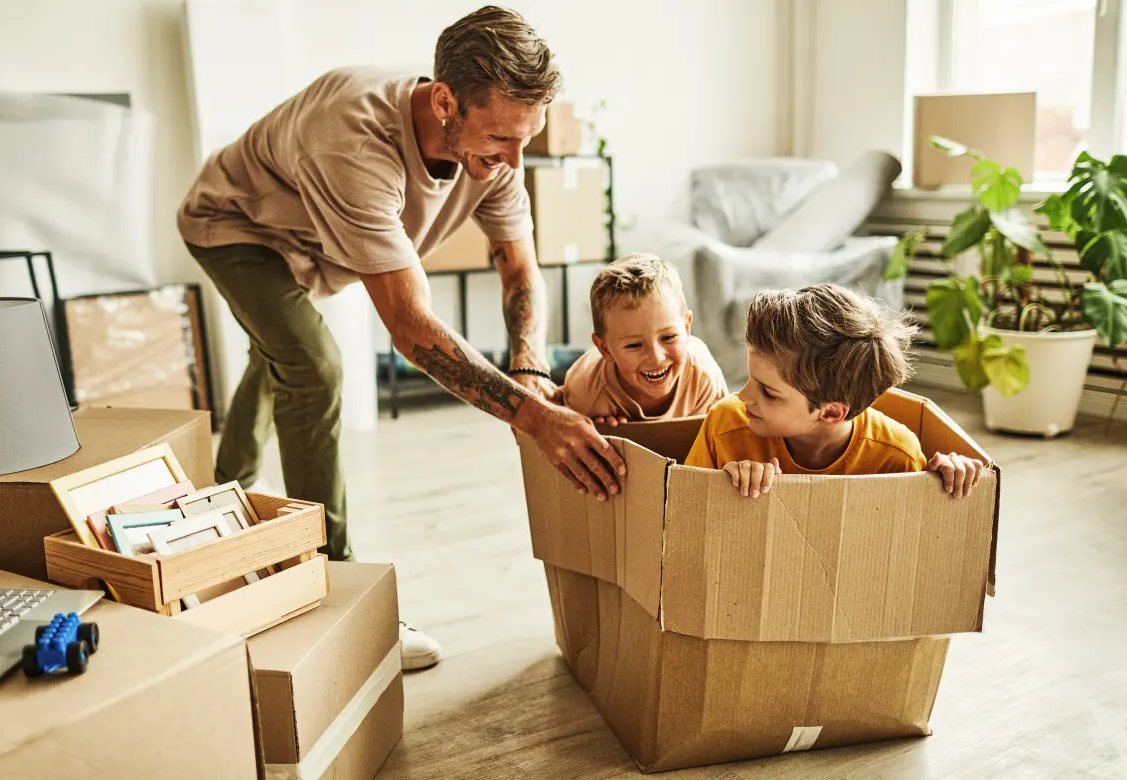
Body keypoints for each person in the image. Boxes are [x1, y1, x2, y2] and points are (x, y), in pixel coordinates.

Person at [176, 6, 625, 670]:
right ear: (445, 100)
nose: (511, 161)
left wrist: (529, 368)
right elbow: (412, 330)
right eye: (501, 138)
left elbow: (518, 267)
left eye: (524, 139)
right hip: (237, 224)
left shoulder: (494, 151)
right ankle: (334, 587)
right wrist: (535, 418)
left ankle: (221, 491)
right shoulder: (355, 140)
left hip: (314, 245)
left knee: (280, 353)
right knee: (312, 366)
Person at [684, 284, 986, 498]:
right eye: (751, 379)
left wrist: (946, 479)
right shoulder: (726, 424)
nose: (743, 396)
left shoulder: (896, 455)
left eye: (769, 392)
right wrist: (722, 487)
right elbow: (683, 509)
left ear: (830, 412)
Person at [561, 254, 727, 424]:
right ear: (605, 349)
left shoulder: (703, 377)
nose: (656, 357)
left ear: (686, 328)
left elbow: (723, 438)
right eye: (634, 345)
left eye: (668, 337)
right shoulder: (585, 393)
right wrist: (599, 432)